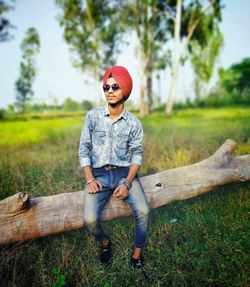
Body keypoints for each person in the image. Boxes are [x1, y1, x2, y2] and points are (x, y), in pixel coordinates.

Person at [79, 65, 149, 269]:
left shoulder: (134, 123)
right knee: (90, 220)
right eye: (106, 87)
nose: (109, 91)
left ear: (124, 90)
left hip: (123, 174)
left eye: (115, 87)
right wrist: (90, 179)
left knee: (143, 211)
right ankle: (105, 243)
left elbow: (137, 154)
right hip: (99, 175)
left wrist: (127, 182)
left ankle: (136, 256)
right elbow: (83, 148)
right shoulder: (92, 117)